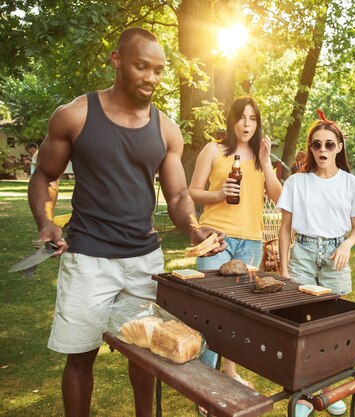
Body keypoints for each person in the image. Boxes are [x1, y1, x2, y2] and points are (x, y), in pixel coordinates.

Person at [27, 27, 226, 417]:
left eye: (158, 70)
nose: (151, 78)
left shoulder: (166, 130)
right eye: (141, 67)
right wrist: (45, 222)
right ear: (116, 60)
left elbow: (178, 196)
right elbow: (44, 176)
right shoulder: (75, 115)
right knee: (81, 358)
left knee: (148, 355)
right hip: (88, 260)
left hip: (143, 262)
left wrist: (193, 227)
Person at [277, 109, 355, 416]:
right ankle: (303, 395)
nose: (322, 151)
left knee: (334, 326)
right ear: (311, 148)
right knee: (303, 326)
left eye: (329, 145)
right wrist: (284, 269)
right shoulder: (296, 182)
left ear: (339, 147)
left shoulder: (352, 185)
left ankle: (329, 389)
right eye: (316, 145)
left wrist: (346, 243)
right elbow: (284, 229)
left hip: (335, 257)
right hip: (303, 253)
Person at [188, 96, 282, 390]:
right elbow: (192, 192)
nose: (247, 124)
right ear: (232, 120)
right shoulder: (213, 149)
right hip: (216, 238)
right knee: (211, 309)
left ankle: (229, 370)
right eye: (242, 117)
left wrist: (266, 161)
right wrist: (217, 194)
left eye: (253, 118)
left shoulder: (260, 156)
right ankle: (206, 381)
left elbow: (279, 197)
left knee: (239, 312)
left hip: (251, 241)